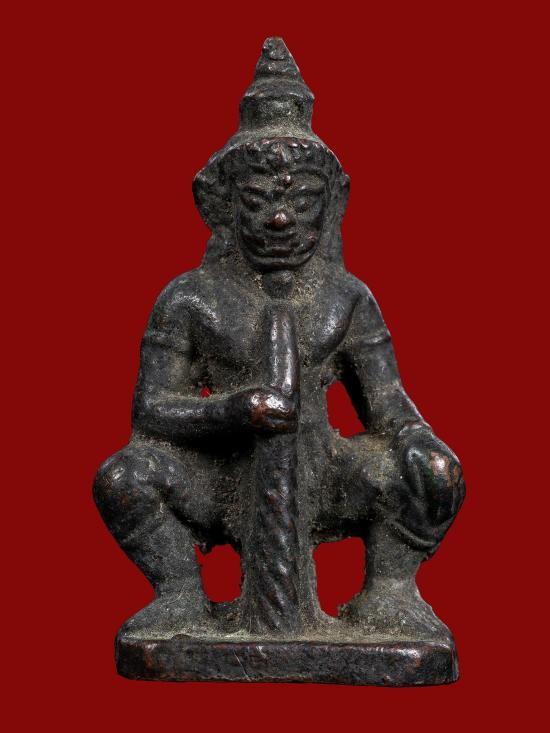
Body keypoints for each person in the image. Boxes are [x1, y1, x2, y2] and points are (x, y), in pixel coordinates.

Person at [94, 38, 464, 639]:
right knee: (123, 479)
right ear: (222, 206)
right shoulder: (190, 299)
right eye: (259, 199)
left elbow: (387, 403)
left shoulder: (347, 298)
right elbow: (153, 410)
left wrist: (416, 440)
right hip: (221, 479)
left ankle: (390, 592)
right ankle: (181, 595)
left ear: (331, 207)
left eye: (302, 200)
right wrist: (233, 410)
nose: (281, 218)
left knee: (434, 470)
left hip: (328, 473)